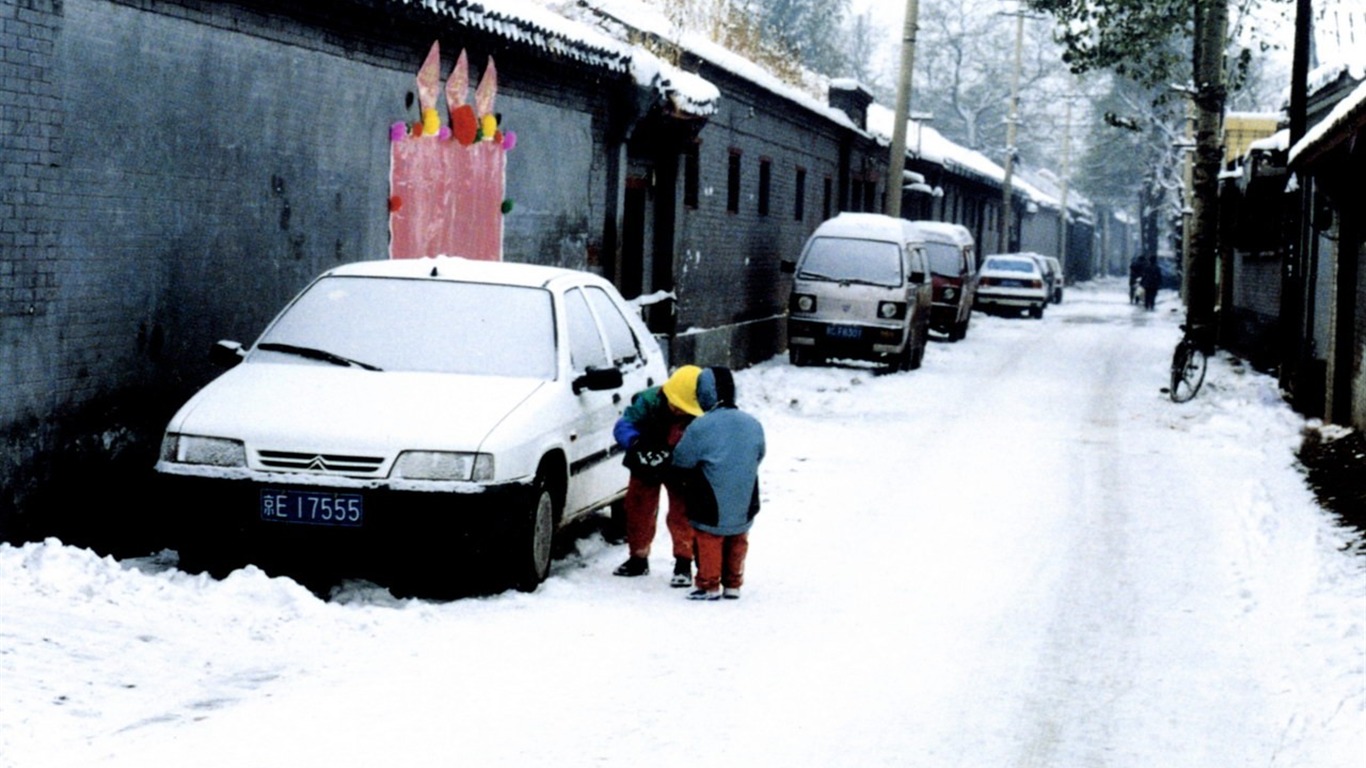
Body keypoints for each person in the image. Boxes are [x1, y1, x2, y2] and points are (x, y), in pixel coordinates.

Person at [671, 367, 766, 601]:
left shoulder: (701, 426)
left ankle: (708, 584)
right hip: (745, 493)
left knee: (709, 537)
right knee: (738, 535)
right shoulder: (752, 423)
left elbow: (682, 459)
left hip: (709, 496)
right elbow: (759, 453)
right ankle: (733, 583)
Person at [611, 365, 704, 586]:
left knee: (683, 513)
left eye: (685, 409)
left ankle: (684, 561)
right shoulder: (647, 401)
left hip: (681, 465)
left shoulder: (700, 412)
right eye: (677, 406)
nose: (680, 411)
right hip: (645, 461)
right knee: (638, 508)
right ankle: (638, 557)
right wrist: (634, 442)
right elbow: (623, 425)